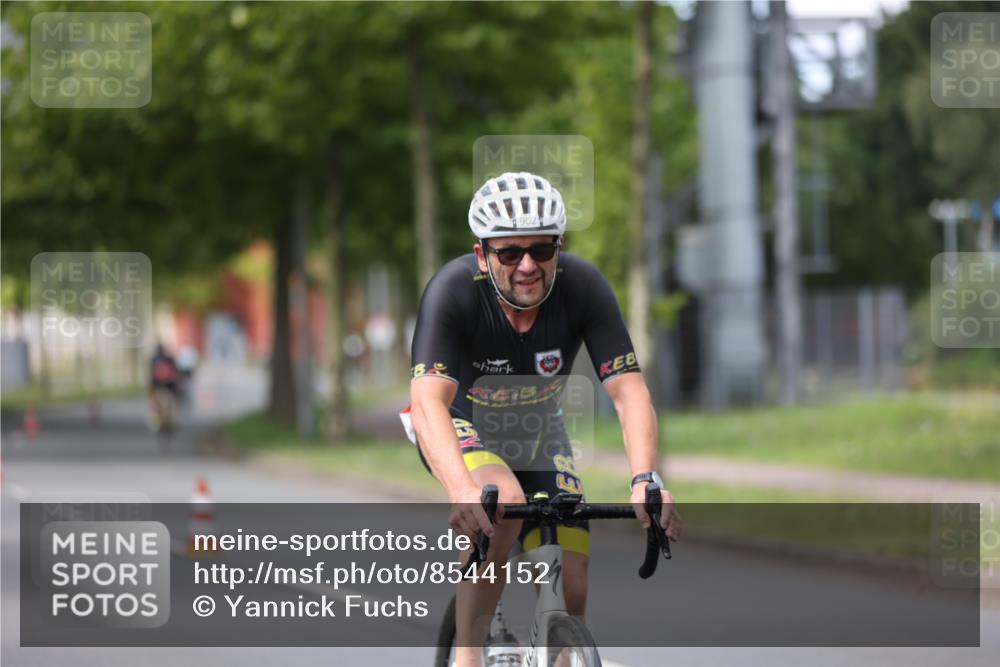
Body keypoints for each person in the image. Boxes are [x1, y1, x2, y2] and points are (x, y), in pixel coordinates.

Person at [403, 171, 681, 667]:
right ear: (482, 255)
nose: (528, 265)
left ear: (559, 247)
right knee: (503, 501)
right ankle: (468, 656)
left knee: (571, 582)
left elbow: (629, 390)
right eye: (509, 252)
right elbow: (428, 402)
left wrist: (645, 477)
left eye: (542, 249)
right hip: (458, 423)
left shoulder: (584, 286)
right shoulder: (453, 290)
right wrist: (461, 491)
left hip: (535, 430)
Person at [148, 342, 179, 431]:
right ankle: (172, 420)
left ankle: (156, 420)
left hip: (157, 384)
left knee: (154, 401)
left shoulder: (153, 359)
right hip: (169, 384)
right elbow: (175, 372)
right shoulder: (170, 359)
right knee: (173, 402)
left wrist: (151, 387)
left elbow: (151, 373)